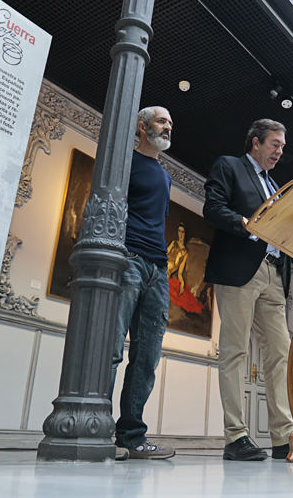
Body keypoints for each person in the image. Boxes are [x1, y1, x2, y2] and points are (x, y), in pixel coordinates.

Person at [203, 119, 293, 461]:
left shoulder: (275, 184)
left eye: (282, 147)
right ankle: (235, 437)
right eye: (274, 144)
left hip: (274, 274)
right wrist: (246, 225)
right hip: (239, 268)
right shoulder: (230, 166)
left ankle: (283, 437)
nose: (279, 151)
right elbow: (212, 208)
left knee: (280, 353)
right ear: (255, 143)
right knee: (234, 352)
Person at [110, 106, 175, 460]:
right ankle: (98, 430)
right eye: (162, 121)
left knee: (147, 357)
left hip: (158, 269)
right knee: (111, 349)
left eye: (170, 124)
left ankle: (131, 437)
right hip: (128, 260)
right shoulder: (124, 161)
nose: (168, 127)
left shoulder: (165, 176)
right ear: (141, 126)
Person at [166, 223, 202, 314]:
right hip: (163, 269)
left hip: (168, 276)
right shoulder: (174, 243)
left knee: (183, 295)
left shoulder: (185, 252)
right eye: (179, 231)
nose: (181, 234)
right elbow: (164, 255)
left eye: (182, 231)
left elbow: (180, 272)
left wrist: (182, 284)